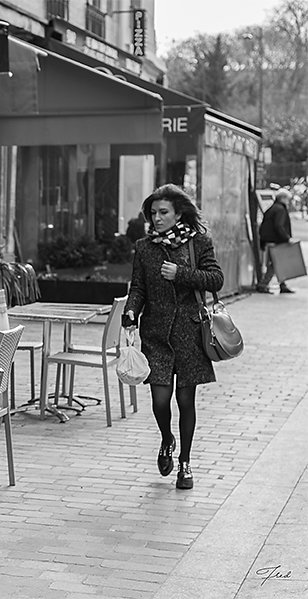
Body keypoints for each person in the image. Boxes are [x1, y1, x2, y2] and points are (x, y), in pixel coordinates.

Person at [122, 184, 223, 491]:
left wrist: (180, 273)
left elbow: (216, 278)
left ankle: (186, 464)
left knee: (185, 399)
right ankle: (167, 439)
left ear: (179, 213)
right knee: (160, 400)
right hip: (156, 334)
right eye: (153, 213)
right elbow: (138, 287)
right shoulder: (144, 247)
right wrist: (130, 311)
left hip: (191, 333)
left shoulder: (199, 242)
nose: (157, 218)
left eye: (163, 212)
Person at [256, 188, 295, 294]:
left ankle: (282, 285)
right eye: (287, 199)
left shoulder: (272, 208)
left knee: (277, 263)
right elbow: (279, 226)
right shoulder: (280, 209)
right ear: (282, 198)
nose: (288, 202)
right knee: (275, 263)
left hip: (269, 240)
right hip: (276, 241)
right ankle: (263, 284)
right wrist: (287, 238)